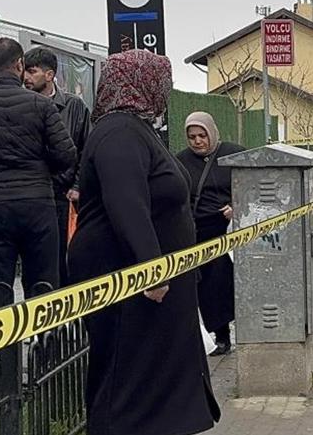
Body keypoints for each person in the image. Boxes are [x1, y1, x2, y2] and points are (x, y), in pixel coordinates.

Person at [66, 50, 219, 435]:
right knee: (128, 373)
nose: (165, 92)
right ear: (142, 84)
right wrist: (151, 267)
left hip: (146, 281)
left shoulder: (136, 129)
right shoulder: (119, 132)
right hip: (129, 278)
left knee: (151, 371)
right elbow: (126, 201)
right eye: (162, 84)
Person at [0, 38, 76, 307]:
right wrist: (42, 173)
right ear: (19, 65)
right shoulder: (42, 105)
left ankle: (2, 334)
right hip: (38, 206)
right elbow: (67, 154)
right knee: (43, 289)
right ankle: (45, 333)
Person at [177, 112, 245, 357]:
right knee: (203, 286)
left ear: (212, 133)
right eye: (192, 137)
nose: (197, 141)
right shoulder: (181, 161)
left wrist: (237, 206)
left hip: (226, 230)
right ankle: (215, 335)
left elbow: (251, 185)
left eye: (202, 135)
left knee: (223, 283)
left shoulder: (233, 154)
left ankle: (229, 333)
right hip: (196, 231)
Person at [23, 47, 91, 287]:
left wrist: (77, 185)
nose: (26, 77)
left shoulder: (75, 106)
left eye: (32, 72)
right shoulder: (20, 105)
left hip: (62, 196)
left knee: (61, 260)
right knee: (32, 261)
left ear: (50, 74)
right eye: (24, 71)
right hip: (30, 193)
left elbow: (86, 149)